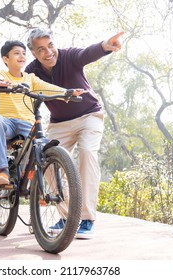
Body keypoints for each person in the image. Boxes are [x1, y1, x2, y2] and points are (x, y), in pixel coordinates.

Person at [25, 28, 124, 239]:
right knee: (47, 164)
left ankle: (87, 219)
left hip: (89, 116)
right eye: (41, 49)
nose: (48, 52)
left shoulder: (69, 56)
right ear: (34, 53)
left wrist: (105, 45)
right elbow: (22, 89)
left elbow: (86, 54)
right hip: (59, 123)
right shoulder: (31, 70)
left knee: (87, 153)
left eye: (50, 45)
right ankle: (69, 215)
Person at [0, 40, 84, 186]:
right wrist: (1, 84)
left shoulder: (30, 78)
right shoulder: (2, 75)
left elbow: (47, 87)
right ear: (5, 59)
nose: (21, 56)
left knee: (43, 145)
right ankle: (3, 170)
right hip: (7, 124)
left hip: (27, 124)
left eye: (23, 53)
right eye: (16, 53)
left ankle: (38, 187)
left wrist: (67, 92)